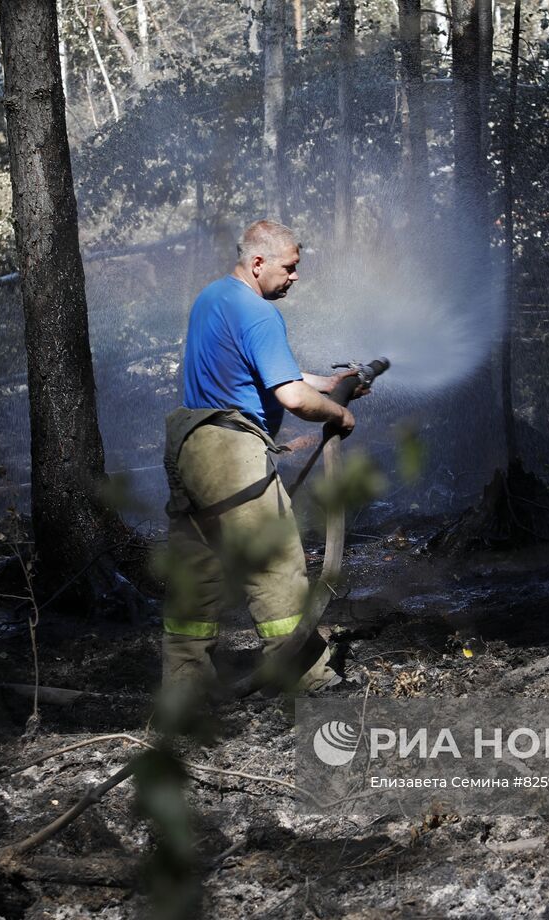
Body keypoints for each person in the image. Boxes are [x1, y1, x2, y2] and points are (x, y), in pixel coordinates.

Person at [161, 219, 361, 694]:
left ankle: (184, 688)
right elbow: (292, 398)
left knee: (197, 573)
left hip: (189, 446)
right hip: (230, 452)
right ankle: (307, 679)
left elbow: (260, 370)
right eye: (289, 268)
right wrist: (338, 413)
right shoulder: (260, 312)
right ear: (258, 263)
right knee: (275, 564)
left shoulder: (214, 297)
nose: (295, 277)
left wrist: (327, 383)